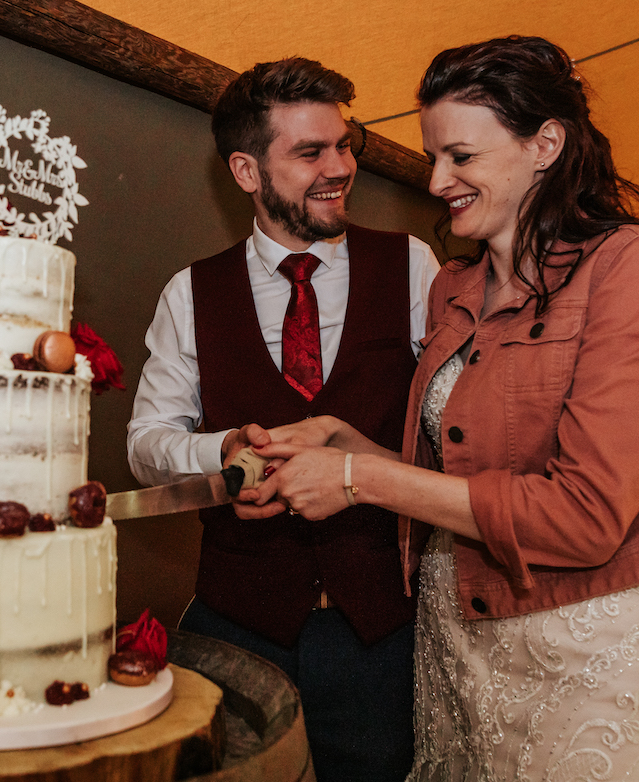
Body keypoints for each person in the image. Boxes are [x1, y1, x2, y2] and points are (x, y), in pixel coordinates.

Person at [236, 37, 639, 780]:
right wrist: (349, 446)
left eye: (461, 157)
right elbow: (462, 485)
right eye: (433, 158)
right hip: (456, 646)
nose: (437, 179)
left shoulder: (627, 264)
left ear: (544, 143)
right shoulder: (452, 286)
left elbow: (584, 517)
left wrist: (358, 480)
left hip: (581, 655)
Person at [127, 57, 440, 781]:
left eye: (342, 145)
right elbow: (146, 445)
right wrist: (223, 449)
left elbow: (453, 431)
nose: (339, 167)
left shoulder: (414, 267)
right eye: (309, 152)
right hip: (238, 628)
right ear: (245, 171)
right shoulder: (190, 291)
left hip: (382, 632)